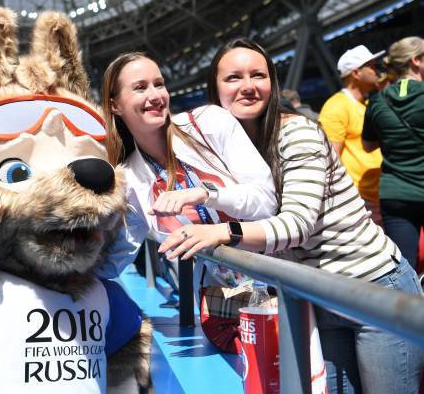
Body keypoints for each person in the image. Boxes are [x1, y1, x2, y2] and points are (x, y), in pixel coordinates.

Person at [159, 37, 424, 393]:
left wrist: (223, 232)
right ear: (215, 90)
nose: (248, 86)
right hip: (316, 298)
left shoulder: (295, 132)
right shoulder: (227, 151)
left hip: (371, 288)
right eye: (233, 78)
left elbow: (297, 225)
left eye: (258, 75)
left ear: (273, 83)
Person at [96, 52, 277, 282]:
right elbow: (112, 260)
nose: (155, 95)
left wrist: (206, 195)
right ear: (115, 105)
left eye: (159, 84)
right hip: (215, 297)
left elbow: (267, 201)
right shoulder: (129, 179)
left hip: (277, 280)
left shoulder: (209, 122)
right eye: (140, 88)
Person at [362, 36, 424, 272]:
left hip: (394, 194)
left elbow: (368, 145)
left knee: (405, 267)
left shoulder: (377, 101)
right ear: (416, 60)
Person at [318, 45, 384, 224]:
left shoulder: (367, 103)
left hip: (379, 195)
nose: (378, 70)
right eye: (372, 66)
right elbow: (331, 159)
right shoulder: (336, 107)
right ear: (356, 73)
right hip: (361, 200)